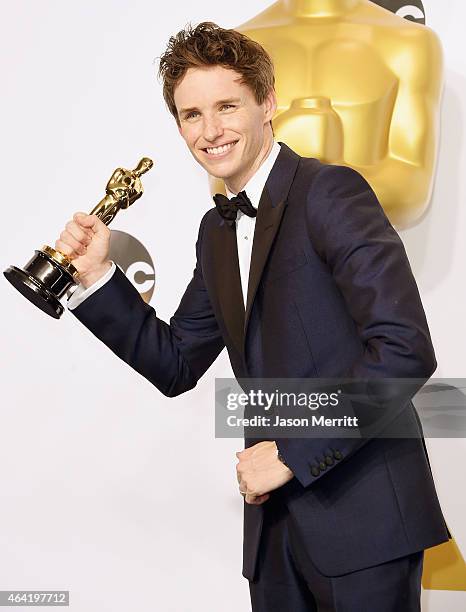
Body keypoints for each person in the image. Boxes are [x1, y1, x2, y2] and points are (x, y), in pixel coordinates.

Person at [56, 21, 448, 612]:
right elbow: (176, 362)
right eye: (191, 114)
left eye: (227, 106)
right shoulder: (216, 230)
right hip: (273, 538)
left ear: (268, 103)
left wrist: (289, 453)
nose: (210, 131)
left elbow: (404, 351)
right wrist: (97, 279)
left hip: (366, 523)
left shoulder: (330, 192)